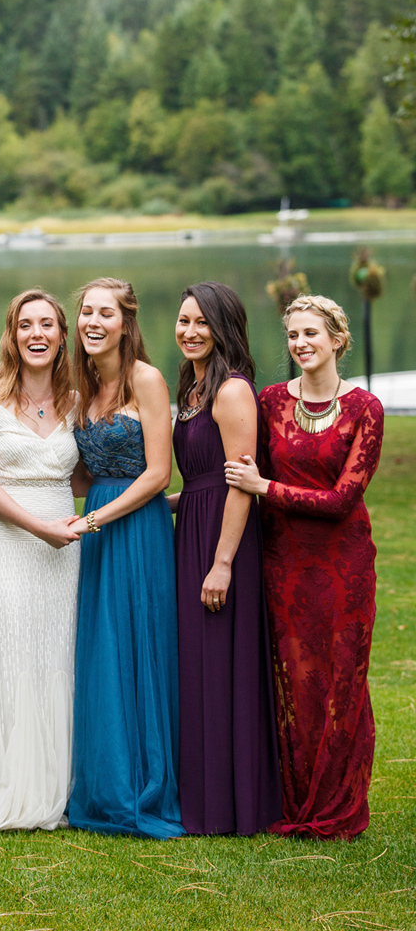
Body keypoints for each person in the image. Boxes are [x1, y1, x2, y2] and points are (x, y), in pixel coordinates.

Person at [225, 295, 384, 840]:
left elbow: (343, 500)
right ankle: (293, 800)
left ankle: (337, 806)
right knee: (292, 681)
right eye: (293, 335)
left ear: (338, 339)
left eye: (312, 333)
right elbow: (239, 480)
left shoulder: (366, 408)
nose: (300, 344)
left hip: (344, 567)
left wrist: (265, 487)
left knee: (341, 681)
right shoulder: (269, 402)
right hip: (283, 563)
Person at [66, 278, 185, 839]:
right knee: (105, 649)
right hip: (98, 520)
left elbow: (159, 473)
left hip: (135, 524)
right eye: (85, 312)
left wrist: (92, 519)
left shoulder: (147, 379)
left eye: (104, 313)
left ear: (126, 321)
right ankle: (105, 781)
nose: (92, 322)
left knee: (141, 644)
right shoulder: (82, 387)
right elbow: (81, 472)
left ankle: (146, 783)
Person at [0, 288, 84, 831]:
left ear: (62, 336)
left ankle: (60, 787)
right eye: (25, 326)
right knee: (8, 655)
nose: (37, 335)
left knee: (56, 656)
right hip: (7, 544)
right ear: (11, 336)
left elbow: (84, 477)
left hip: (64, 550)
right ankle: (6, 788)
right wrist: (40, 529)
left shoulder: (79, 401)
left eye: (47, 325)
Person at [171, 281, 281, 835]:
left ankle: (232, 801)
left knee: (221, 660)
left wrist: (223, 563)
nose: (190, 332)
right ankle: (198, 792)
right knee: (194, 662)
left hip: (223, 538)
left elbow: (240, 483)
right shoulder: (190, 388)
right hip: (192, 524)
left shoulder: (232, 391)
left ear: (224, 328)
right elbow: (200, 480)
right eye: (184, 321)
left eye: (202, 323)